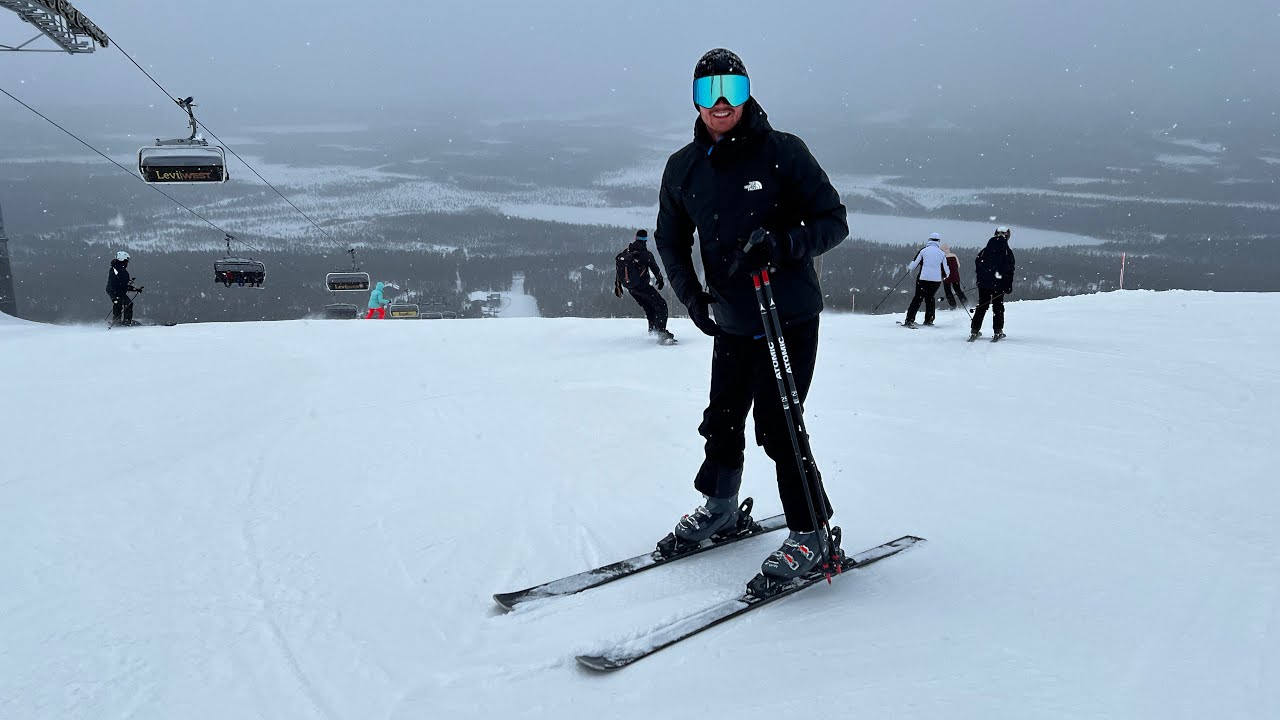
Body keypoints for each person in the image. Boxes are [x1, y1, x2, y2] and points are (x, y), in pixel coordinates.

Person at [654, 48, 848, 581]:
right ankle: (720, 505)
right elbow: (671, 240)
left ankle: (811, 532)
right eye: (708, 91)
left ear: (748, 94)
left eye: (732, 90)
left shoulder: (783, 152)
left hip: (788, 315)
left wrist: (783, 244)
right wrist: (693, 298)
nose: (721, 103)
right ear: (695, 100)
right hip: (733, 318)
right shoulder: (683, 167)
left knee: (780, 426)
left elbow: (834, 220)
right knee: (722, 418)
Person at [614, 229, 675, 344]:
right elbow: (655, 269)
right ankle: (661, 332)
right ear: (646, 240)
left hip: (631, 289)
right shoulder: (646, 255)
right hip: (643, 287)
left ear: (635, 238)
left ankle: (653, 332)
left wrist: (618, 286)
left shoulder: (626, 252)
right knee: (661, 305)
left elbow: (619, 269)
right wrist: (660, 280)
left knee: (649, 308)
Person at [970, 226, 1016, 341]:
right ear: (1007, 236)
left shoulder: (985, 250)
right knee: (998, 307)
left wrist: (981, 279)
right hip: (999, 284)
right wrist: (1008, 285)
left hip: (984, 284)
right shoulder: (1007, 251)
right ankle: (997, 331)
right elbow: (1009, 270)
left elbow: (978, 264)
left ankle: (974, 330)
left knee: (982, 306)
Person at [902, 232, 950, 327]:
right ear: (938, 241)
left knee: (918, 298)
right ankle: (929, 320)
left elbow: (913, 265)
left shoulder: (923, 251)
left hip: (923, 279)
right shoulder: (942, 254)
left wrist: (911, 267)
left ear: (929, 240)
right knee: (930, 298)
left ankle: (909, 320)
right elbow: (946, 271)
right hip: (935, 281)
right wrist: (944, 276)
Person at [105, 251, 142, 326]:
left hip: (114, 291)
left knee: (118, 305)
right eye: (126, 261)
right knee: (128, 304)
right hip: (117, 292)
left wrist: (128, 282)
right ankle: (126, 322)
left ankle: (116, 321)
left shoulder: (115, 268)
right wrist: (135, 289)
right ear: (122, 260)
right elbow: (122, 285)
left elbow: (119, 281)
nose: (127, 263)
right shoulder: (120, 271)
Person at [940, 242, 967, 310]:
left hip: (946, 277)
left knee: (948, 291)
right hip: (955, 276)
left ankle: (953, 305)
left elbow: (940, 267)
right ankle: (965, 303)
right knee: (958, 290)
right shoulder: (954, 255)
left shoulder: (941, 256)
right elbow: (958, 265)